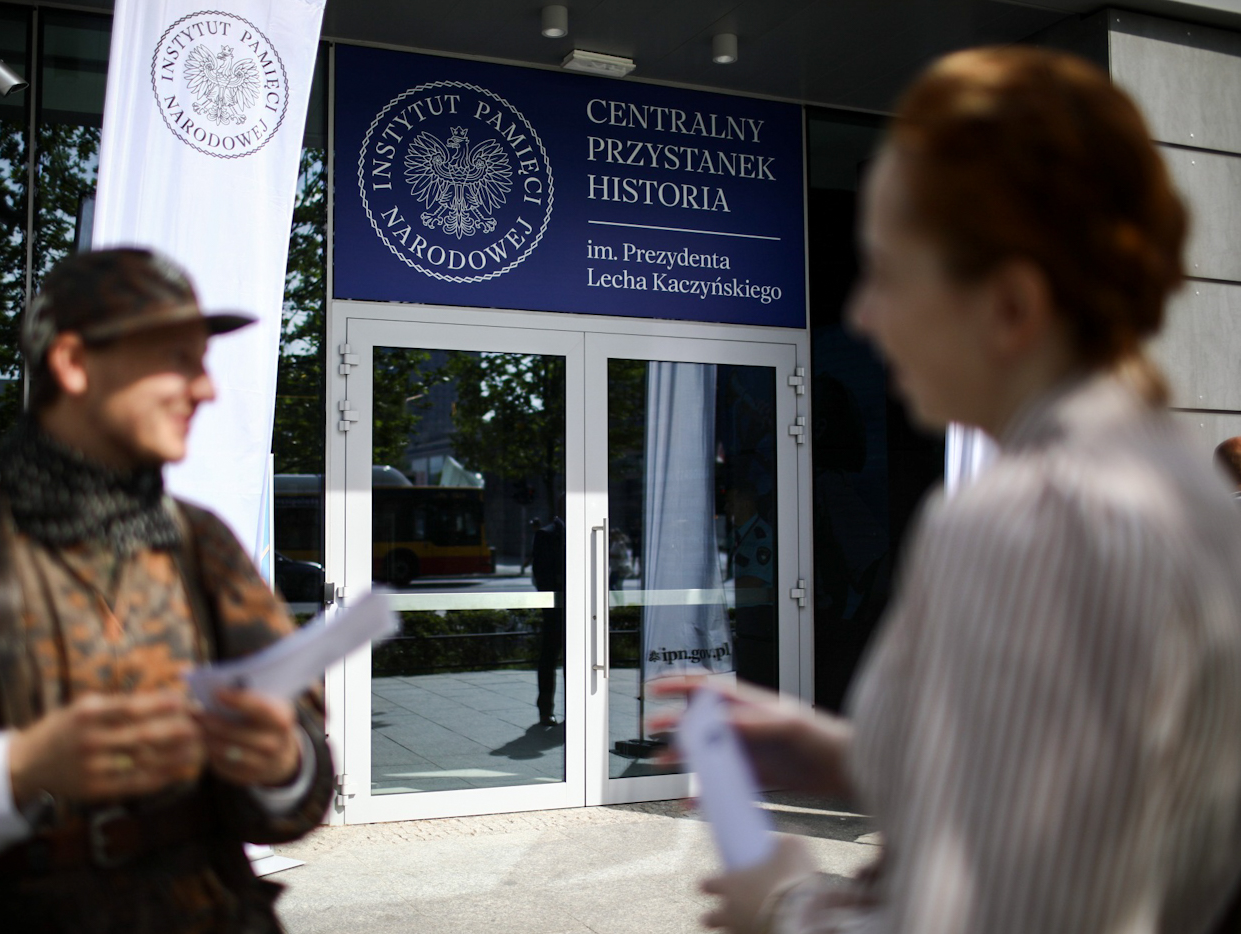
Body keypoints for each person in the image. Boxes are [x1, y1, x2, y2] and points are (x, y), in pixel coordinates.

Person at [657, 47, 1241, 934]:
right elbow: (1091, 787)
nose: (862, 317)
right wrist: (850, 757)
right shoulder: (1186, 495)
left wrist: (782, 898)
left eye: (890, 274)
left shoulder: (1021, 520)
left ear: (1010, 305)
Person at [0, 249, 333, 933]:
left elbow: (304, 777)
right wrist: (17, 769)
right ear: (74, 364)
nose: (207, 389)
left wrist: (280, 760)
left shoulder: (203, 545)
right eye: (177, 359)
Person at [530, 495, 565, 726]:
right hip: (556, 606)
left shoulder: (585, 532)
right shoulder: (546, 534)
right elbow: (540, 574)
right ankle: (545, 710)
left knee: (576, 659)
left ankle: (577, 706)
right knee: (549, 657)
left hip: (579, 605)